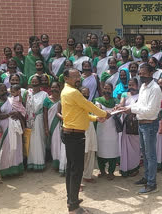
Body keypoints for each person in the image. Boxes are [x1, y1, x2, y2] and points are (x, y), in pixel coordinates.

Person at [61, 68, 109, 213]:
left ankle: (72, 198)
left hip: (70, 133)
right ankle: (74, 206)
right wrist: (105, 114)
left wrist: (96, 118)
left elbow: (81, 112)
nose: (78, 78)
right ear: (66, 78)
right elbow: (89, 106)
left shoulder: (66, 90)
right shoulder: (74, 92)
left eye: (78, 76)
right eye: (74, 76)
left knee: (71, 169)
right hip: (75, 136)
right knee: (76, 170)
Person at [120, 64, 162, 194]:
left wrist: (131, 109)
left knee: (150, 155)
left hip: (149, 124)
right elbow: (140, 104)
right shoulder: (143, 86)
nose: (141, 75)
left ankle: (151, 184)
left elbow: (150, 110)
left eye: (144, 73)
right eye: (140, 73)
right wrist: (124, 107)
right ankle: (147, 178)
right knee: (145, 154)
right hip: (141, 123)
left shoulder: (155, 89)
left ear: (151, 73)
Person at [0, 83, 24, 178]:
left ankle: (16, 169)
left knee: (17, 147)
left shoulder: (11, 100)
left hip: (14, 126)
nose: (4, 92)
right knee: (6, 148)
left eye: (4, 90)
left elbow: (19, 110)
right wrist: (10, 114)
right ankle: (5, 170)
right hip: (4, 127)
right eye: (1, 90)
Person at [94, 83, 119, 181]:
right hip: (101, 129)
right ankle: (102, 171)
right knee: (101, 151)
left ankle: (111, 172)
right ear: (102, 89)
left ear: (112, 90)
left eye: (109, 89)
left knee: (112, 151)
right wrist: (102, 111)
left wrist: (113, 111)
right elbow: (97, 110)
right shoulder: (98, 100)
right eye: (105, 88)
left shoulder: (115, 101)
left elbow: (117, 110)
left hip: (113, 129)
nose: (107, 90)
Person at [24, 75, 48, 170]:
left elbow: (45, 109)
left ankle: (40, 163)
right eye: (32, 82)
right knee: (31, 141)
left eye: (36, 81)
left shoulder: (44, 94)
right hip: (29, 120)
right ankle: (31, 163)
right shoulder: (28, 93)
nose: (34, 83)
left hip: (39, 119)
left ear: (40, 83)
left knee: (40, 140)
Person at [118, 78, 140, 177]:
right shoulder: (125, 94)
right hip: (126, 123)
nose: (131, 87)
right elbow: (121, 104)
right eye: (129, 85)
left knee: (135, 147)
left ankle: (134, 168)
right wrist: (118, 107)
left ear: (137, 85)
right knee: (125, 146)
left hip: (136, 123)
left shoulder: (141, 96)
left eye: (133, 85)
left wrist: (129, 109)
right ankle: (125, 168)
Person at [43, 82, 64, 171]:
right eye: (52, 87)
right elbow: (44, 115)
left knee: (61, 144)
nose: (54, 89)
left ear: (59, 88)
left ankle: (62, 163)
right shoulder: (47, 100)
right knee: (54, 144)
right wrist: (46, 128)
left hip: (61, 124)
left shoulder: (63, 99)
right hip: (51, 125)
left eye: (56, 87)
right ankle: (56, 163)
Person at [80, 87, 97, 183]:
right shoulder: (77, 105)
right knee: (80, 156)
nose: (85, 96)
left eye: (87, 94)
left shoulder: (90, 104)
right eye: (83, 94)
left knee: (90, 153)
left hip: (91, 131)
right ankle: (79, 182)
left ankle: (87, 176)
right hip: (81, 131)